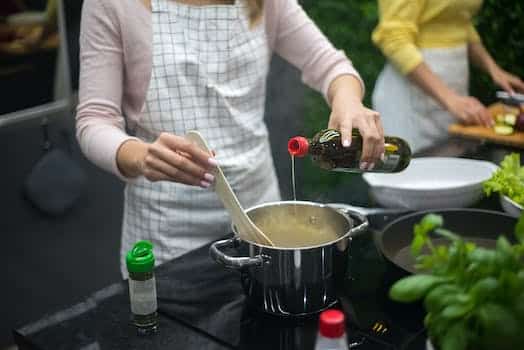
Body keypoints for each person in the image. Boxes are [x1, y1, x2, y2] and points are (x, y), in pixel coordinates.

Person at [77, 0, 384, 276]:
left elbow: (331, 65)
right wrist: (140, 156)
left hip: (261, 222)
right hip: (167, 230)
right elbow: (95, 120)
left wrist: (348, 100)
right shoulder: (112, 4)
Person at [371, 0, 524, 153]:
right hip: (411, 98)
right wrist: (450, 99)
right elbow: (393, 37)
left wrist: (495, 70)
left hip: (453, 91)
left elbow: (459, 23)